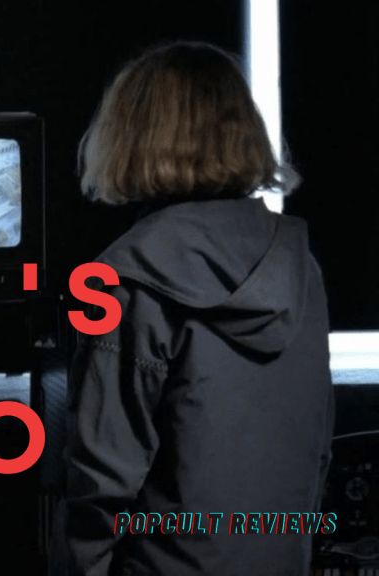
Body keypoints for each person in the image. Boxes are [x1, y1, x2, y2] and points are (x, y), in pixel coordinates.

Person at [62, 41, 334, 575]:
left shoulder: (124, 280)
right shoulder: (302, 266)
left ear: (132, 135)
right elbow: (316, 454)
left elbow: (98, 487)